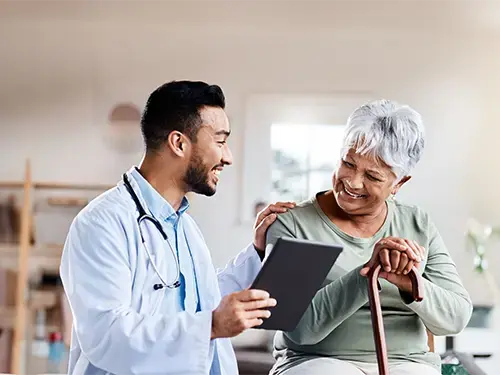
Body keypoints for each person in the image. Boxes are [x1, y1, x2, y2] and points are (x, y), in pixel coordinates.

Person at [59, 80, 295, 375]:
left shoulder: (184, 224)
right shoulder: (102, 224)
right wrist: (210, 325)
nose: (228, 157)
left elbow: (203, 299)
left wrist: (258, 252)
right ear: (179, 143)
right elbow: (107, 335)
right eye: (220, 142)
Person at [265, 99, 473, 375]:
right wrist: (367, 274)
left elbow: (456, 317)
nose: (352, 182)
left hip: (407, 363)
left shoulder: (417, 223)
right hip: (315, 361)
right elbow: (299, 330)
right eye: (348, 163)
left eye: (372, 176)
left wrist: (410, 283)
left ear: (399, 183)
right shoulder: (295, 223)